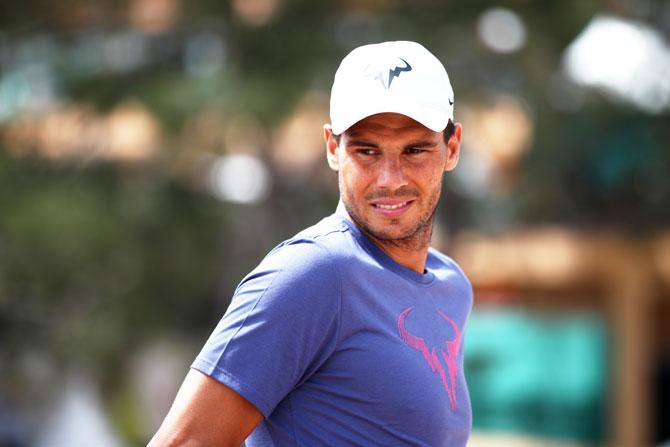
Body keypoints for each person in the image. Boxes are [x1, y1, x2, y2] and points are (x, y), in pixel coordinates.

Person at [149, 40, 472, 447]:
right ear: (334, 148)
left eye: (415, 150)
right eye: (367, 151)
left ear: (452, 148)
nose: (391, 178)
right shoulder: (311, 275)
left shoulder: (450, 286)